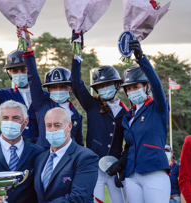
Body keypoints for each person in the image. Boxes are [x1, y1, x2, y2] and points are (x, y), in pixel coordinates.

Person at [70, 36, 128, 202]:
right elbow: (75, 82)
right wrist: (77, 55)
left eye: (108, 84)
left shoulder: (127, 113)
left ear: (117, 85)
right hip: (94, 167)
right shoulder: (92, 105)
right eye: (100, 86)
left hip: (115, 167)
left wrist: (121, 164)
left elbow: (130, 143)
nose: (104, 88)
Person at [116, 40, 170, 203]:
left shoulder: (157, 107)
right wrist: (122, 167)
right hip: (132, 175)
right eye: (129, 88)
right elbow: (131, 146)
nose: (132, 90)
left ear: (146, 87)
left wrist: (141, 58)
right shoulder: (128, 116)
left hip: (154, 171)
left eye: (136, 86)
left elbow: (157, 85)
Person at [20, 28, 84, 148]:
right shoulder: (41, 104)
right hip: (43, 158)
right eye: (54, 87)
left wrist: (78, 52)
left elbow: (79, 144)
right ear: (48, 90)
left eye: (62, 86)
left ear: (70, 88)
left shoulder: (76, 116)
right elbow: (33, 78)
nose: (58, 90)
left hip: (68, 162)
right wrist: (28, 48)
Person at [34, 107, 98, 203]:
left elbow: (78, 197)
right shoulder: (40, 158)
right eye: (48, 125)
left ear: (69, 126)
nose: (52, 130)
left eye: (57, 125)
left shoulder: (86, 157)